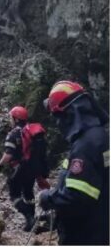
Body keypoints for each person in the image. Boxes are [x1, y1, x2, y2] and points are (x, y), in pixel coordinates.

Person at [38, 81, 109, 245]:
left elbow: (77, 198)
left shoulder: (85, 147)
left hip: (85, 235)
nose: (57, 123)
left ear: (69, 115)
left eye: (57, 117)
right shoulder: (101, 137)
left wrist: (48, 198)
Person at [0, 106, 46, 231]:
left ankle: (30, 218)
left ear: (16, 118)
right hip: (33, 168)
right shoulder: (32, 131)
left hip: (20, 168)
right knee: (28, 193)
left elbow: (8, 155)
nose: (10, 120)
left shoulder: (14, 133)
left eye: (11, 117)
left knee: (14, 195)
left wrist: (0, 164)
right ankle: (32, 223)